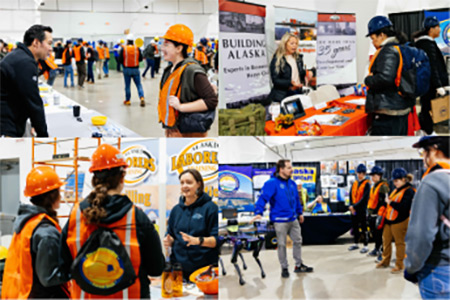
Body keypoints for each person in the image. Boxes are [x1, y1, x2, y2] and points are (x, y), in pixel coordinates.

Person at [60, 144, 165, 298]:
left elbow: (63, 267)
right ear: (122, 176)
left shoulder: (76, 215)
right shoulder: (137, 217)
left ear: (94, 178)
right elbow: (156, 268)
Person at [1, 167, 69, 298]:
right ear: (52, 195)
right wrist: (75, 270)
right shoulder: (45, 231)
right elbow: (49, 277)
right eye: (59, 191)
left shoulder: (26, 223)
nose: (61, 196)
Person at [251, 159, 313, 278]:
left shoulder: (292, 183)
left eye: (291, 167)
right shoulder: (271, 183)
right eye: (289, 168)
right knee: (282, 245)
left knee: (298, 241)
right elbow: (263, 198)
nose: (292, 170)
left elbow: (296, 200)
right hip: (279, 220)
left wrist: (300, 213)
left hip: (293, 219)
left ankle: (298, 265)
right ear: (281, 169)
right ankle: (284, 268)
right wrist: (258, 211)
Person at [405, 136, 450, 299]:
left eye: (424, 152)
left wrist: (411, 267)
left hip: (438, 268)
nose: (423, 158)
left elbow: (422, 235)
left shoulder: (433, 181)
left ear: (435, 151)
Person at [158, 24, 218, 137]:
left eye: (166, 45)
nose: (162, 48)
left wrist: (181, 107)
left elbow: (211, 101)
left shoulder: (192, 70)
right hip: (172, 129)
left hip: (189, 132)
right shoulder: (169, 70)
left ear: (179, 48)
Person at [163, 169, 218, 280]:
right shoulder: (176, 210)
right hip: (178, 270)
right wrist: (169, 240)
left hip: (203, 271)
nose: (184, 186)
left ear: (199, 184)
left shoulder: (210, 208)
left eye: (188, 182)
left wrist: (198, 241)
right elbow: (171, 234)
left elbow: (217, 240)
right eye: (182, 183)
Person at [364, 16, 414, 136]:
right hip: (400, 106)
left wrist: (368, 79)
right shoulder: (401, 47)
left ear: (381, 35)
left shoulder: (388, 51)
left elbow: (385, 78)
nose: (372, 42)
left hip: (389, 111)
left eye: (373, 38)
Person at [0, 24, 51, 137]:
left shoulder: (19, 56)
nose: (50, 48)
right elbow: (34, 102)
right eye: (49, 43)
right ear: (36, 43)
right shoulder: (24, 62)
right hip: (6, 126)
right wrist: (43, 135)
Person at [413, 16, 449, 135]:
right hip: (428, 83)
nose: (439, 29)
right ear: (431, 29)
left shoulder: (427, 43)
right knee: (427, 107)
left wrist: (443, 84)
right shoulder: (426, 44)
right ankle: (427, 131)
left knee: (427, 106)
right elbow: (433, 66)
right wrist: (439, 85)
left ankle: (426, 130)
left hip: (428, 82)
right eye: (437, 27)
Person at [376, 168, 415, 274]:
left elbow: (404, 207)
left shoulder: (409, 191)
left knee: (400, 243)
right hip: (389, 220)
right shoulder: (395, 190)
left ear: (403, 179)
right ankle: (385, 261)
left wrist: (390, 203)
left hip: (400, 220)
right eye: (393, 181)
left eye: (396, 181)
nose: (394, 183)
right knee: (386, 241)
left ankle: (400, 264)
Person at [267, 33, 306, 107]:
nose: (294, 45)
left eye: (296, 43)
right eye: (292, 43)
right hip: (283, 95)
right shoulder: (277, 60)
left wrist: (305, 74)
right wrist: (290, 83)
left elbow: (300, 74)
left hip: (298, 92)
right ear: (285, 44)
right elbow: (275, 80)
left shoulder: (298, 58)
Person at [367, 166, 389, 259]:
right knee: (375, 234)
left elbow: (385, 201)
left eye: (374, 175)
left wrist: (381, 215)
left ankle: (382, 252)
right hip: (372, 213)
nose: (372, 177)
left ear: (379, 175)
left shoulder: (383, 186)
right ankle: (376, 248)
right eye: (371, 176)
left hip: (380, 214)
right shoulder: (374, 186)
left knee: (380, 234)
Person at [348, 164, 370, 253]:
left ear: (364, 173)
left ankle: (366, 245)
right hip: (353, 209)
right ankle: (356, 243)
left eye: (361, 173)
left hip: (362, 209)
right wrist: (351, 206)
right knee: (355, 227)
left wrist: (354, 206)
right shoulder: (354, 183)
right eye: (358, 172)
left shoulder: (367, 184)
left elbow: (364, 198)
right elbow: (350, 195)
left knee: (364, 228)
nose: (359, 174)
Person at [119, 35, 145, 107]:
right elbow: (140, 59)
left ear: (127, 41)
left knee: (127, 86)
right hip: (136, 69)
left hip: (127, 69)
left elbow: (120, 60)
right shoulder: (137, 48)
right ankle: (141, 97)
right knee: (138, 84)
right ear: (133, 41)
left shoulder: (123, 48)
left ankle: (128, 100)